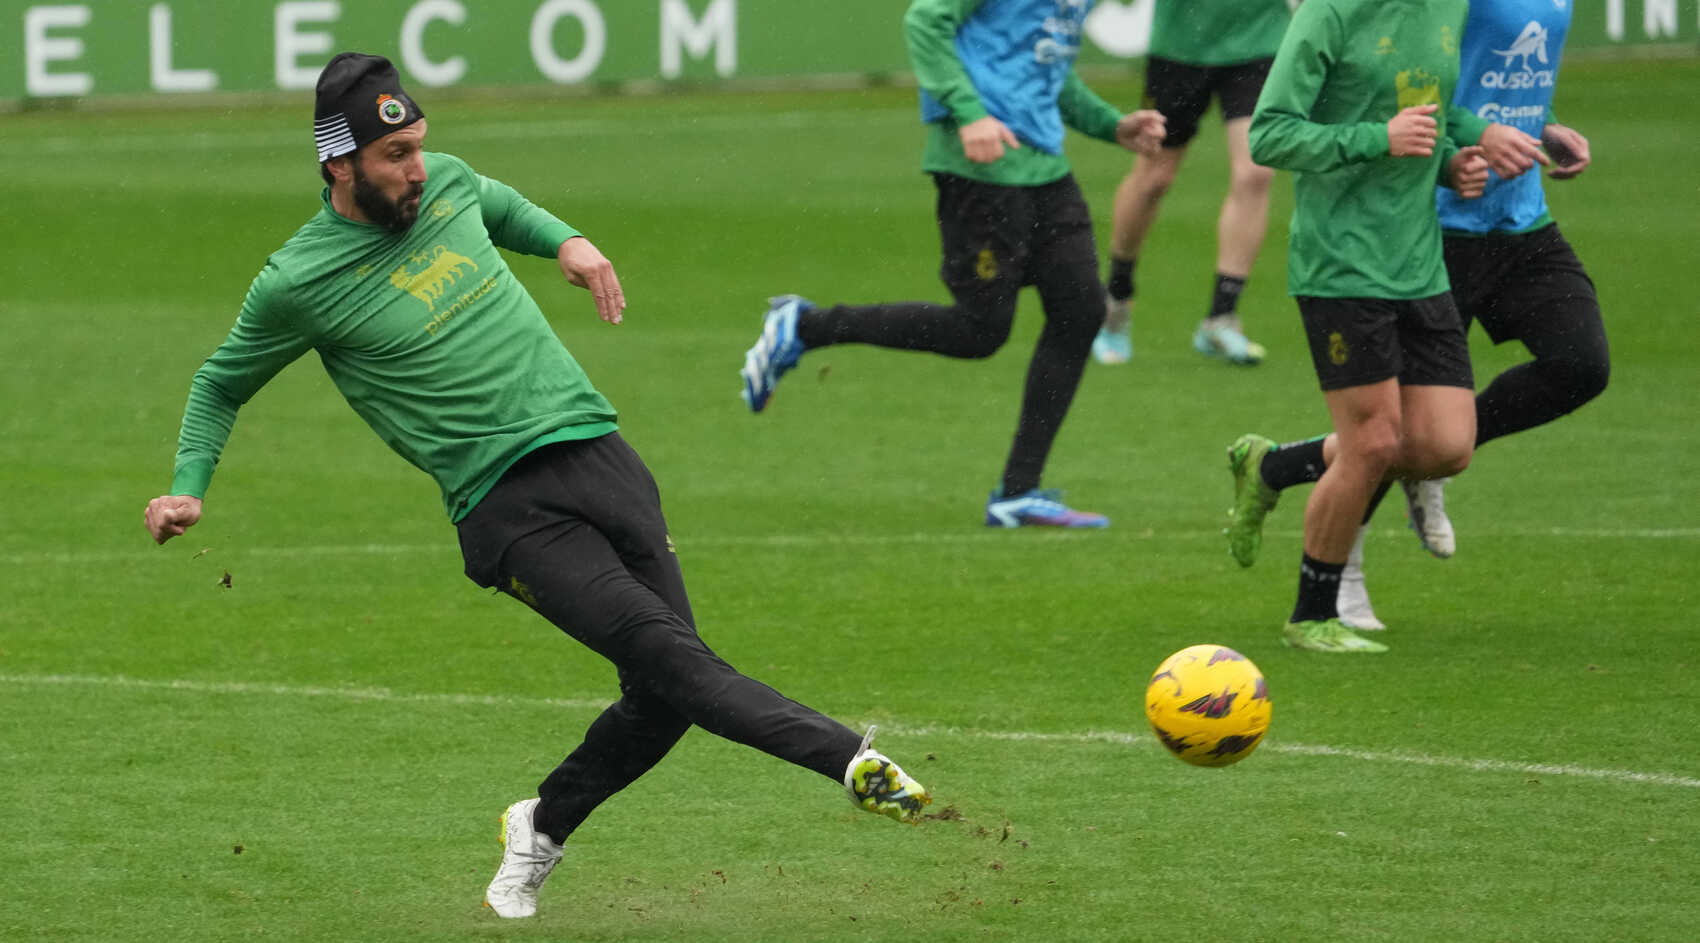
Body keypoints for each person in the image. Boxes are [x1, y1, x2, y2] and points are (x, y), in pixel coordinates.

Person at [142, 52, 930, 921]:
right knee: (674, 659)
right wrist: (189, 486)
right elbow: (220, 382)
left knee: (664, 696)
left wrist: (569, 241)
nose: (417, 169)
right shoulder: (297, 281)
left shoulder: (445, 182)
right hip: (505, 510)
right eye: (394, 156)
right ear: (339, 163)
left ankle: (542, 822)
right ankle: (851, 762)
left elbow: (495, 202)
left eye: (418, 147)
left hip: (598, 451)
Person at [739, 0, 1166, 529]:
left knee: (1081, 310)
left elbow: (1043, 66)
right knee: (980, 331)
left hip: (1045, 169)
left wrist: (1111, 124)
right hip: (979, 167)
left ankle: (1018, 492)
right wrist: (970, 112)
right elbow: (925, 20)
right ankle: (804, 326)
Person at [1224, 0, 1548, 652]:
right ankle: (1312, 613)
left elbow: (1428, 107)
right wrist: (1379, 137)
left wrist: (1462, 149)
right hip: (1342, 264)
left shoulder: (1445, 7)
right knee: (1372, 441)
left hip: (1419, 264)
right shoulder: (1330, 13)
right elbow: (1270, 133)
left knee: (1445, 444)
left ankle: (1275, 465)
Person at [1326, 0, 1607, 629]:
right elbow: (1411, 79)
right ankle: (1339, 575)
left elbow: (1512, 78)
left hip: (1521, 218)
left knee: (1580, 365)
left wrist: (1548, 126)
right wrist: (1474, 135)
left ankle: (1427, 460)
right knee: (1387, 419)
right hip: (1436, 222)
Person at [1091, 0, 1292, 367]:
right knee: (1154, 178)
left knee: (1256, 170)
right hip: (1180, 48)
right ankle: (1116, 302)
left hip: (1261, 41)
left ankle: (1221, 317)